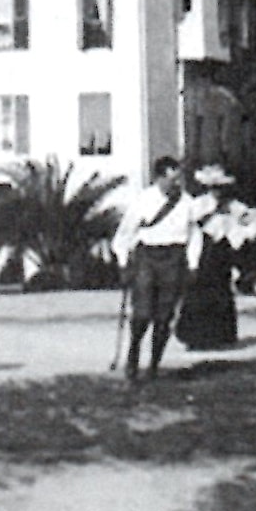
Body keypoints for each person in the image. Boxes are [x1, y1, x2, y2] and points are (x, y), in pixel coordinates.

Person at [112, 155, 196, 381]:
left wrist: (193, 263)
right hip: (147, 257)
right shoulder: (143, 200)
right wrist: (122, 263)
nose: (176, 184)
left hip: (174, 258)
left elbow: (194, 234)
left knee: (165, 315)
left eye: (178, 179)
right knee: (142, 313)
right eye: (171, 179)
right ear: (159, 178)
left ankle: (154, 364)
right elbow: (125, 233)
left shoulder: (187, 202)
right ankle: (133, 353)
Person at [176, 165, 254, 351]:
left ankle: (220, 335)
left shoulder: (234, 205)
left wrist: (236, 219)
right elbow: (195, 223)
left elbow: (246, 223)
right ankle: (195, 337)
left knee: (221, 291)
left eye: (220, 187)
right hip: (203, 249)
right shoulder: (199, 204)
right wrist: (215, 211)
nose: (217, 191)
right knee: (199, 292)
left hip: (222, 250)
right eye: (214, 187)